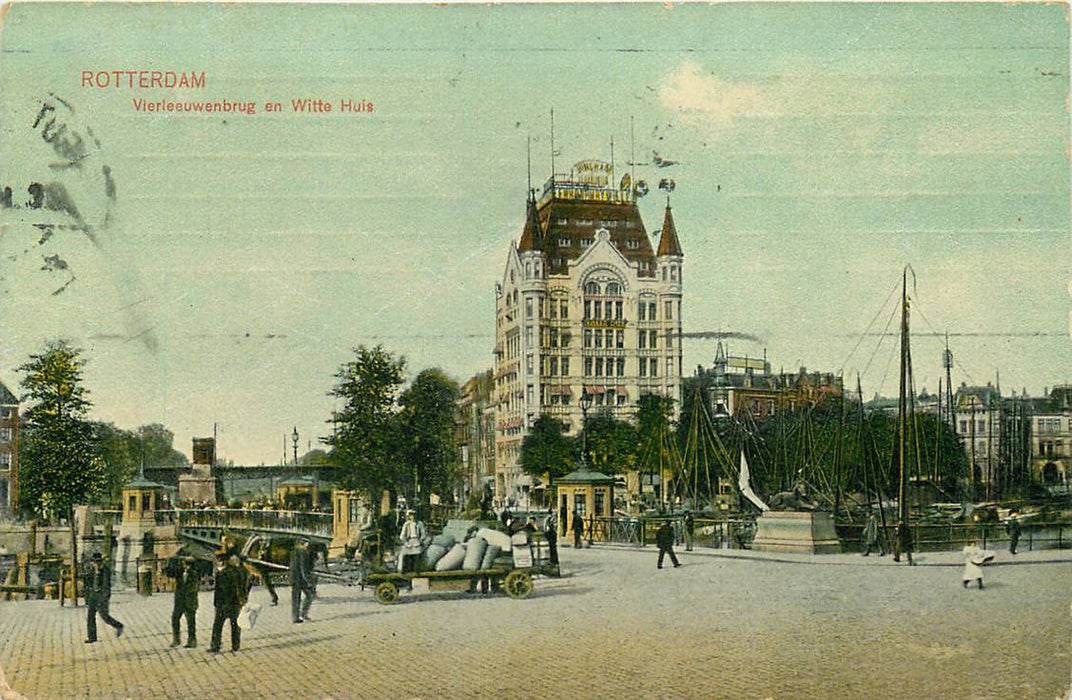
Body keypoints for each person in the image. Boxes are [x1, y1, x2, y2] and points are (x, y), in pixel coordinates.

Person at [209, 554, 249, 653]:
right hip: (233, 603)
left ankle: (216, 646)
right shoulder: (237, 572)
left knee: (218, 625)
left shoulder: (223, 573)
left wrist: (216, 603)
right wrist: (242, 600)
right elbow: (240, 588)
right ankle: (235, 646)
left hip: (224, 603)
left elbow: (222, 590)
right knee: (235, 625)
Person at [83, 552, 124, 643]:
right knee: (90, 616)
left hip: (102, 595)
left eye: (98, 562)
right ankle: (92, 637)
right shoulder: (91, 570)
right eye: (94, 562)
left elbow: (106, 585)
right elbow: (88, 582)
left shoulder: (105, 570)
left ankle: (118, 625)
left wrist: (104, 597)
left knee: (104, 616)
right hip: (93, 595)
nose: (96, 564)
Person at [170, 556, 199, 648]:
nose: (183, 566)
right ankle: (176, 639)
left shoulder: (194, 574)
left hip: (190, 601)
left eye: (185, 564)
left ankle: (192, 640)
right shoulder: (180, 572)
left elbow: (193, 588)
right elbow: (170, 573)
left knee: (191, 622)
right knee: (175, 619)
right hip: (179, 601)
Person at [289, 539, 315, 623]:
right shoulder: (303, 552)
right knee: (309, 595)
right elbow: (304, 569)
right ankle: (301, 615)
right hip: (300, 579)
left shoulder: (294, 551)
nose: (308, 545)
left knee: (296, 598)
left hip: (294, 578)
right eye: (307, 543)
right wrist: (309, 581)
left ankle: (297, 616)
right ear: (303, 544)